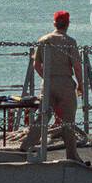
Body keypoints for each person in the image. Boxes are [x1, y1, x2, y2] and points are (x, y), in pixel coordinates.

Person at [19, 10, 85, 163]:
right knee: (68, 120)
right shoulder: (70, 42)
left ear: (54, 23)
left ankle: (26, 145)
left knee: (43, 115)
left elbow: (36, 64)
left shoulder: (44, 40)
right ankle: (71, 155)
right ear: (68, 24)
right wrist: (80, 84)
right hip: (65, 83)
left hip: (48, 83)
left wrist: (46, 78)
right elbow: (76, 66)